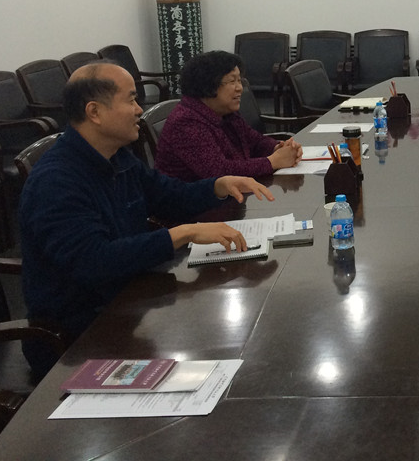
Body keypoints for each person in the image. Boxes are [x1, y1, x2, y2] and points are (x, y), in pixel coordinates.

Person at [20, 62, 275, 379]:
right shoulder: (56, 181)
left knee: (244, 336)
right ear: (95, 112)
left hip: (132, 300)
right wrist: (181, 234)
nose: (140, 110)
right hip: (78, 336)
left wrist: (218, 186)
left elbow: (168, 195)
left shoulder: (117, 156)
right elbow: (94, 262)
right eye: (130, 100)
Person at [155, 50, 303, 181]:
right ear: (208, 85)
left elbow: (254, 141)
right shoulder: (186, 122)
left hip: (233, 195)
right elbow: (220, 172)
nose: (240, 88)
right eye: (232, 81)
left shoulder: (225, 112)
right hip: (196, 203)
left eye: (239, 80)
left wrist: (278, 148)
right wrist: (272, 162)